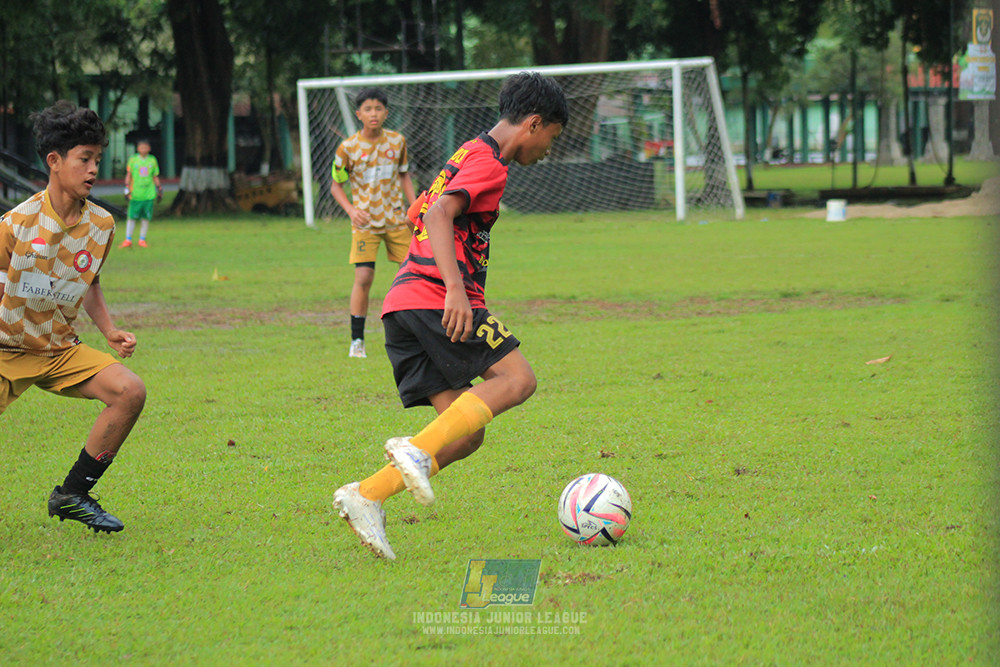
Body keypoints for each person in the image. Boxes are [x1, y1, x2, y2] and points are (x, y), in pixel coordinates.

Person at [333, 72, 569, 559]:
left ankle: (367, 495)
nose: (549, 148)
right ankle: (415, 450)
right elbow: (438, 214)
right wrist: (457, 291)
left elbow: (417, 210)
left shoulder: (465, 152)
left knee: (465, 436)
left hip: (401, 305)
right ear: (534, 123)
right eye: (553, 137)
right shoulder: (491, 164)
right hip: (435, 298)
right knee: (519, 380)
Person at [0, 100, 146, 533]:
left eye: (97, 160)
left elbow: (90, 282)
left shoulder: (101, 224)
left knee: (129, 391)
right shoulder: (16, 224)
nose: (93, 169)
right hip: (7, 349)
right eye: (85, 159)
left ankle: (72, 494)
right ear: (55, 161)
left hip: (60, 350)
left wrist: (110, 330)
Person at [329, 88, 416, 359]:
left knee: (414, 275)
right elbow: (336, 186)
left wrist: (414, 209)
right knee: (364, 277)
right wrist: (352, 211)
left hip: (395, 221)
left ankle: (416, 335)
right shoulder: (347, 148)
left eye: (378, 108)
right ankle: (357, 341)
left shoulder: (397, 142)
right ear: (358, 114)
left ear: (386, 113)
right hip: (365, 223)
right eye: (367, 109)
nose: (373, 114)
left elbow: (404, 177)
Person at [120, 138, 162, 248]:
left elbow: (155, 176)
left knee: (146, 218)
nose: (143, 149)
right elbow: (129, 175)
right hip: (136, 194)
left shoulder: (152, 160)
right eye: (141, 147)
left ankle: (142, 239)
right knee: (131, 217)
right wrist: (127, 187)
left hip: (149, 194)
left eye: (145, 147)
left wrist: (159, 188)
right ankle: (128, 239)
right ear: (138, 148)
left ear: (149, 148)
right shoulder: (133, 160)